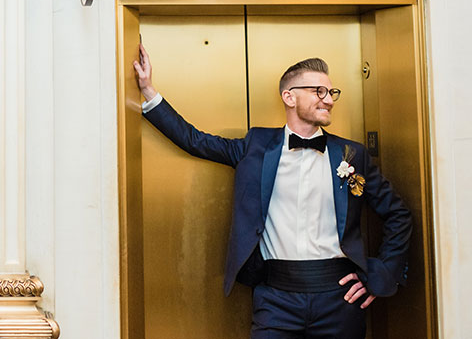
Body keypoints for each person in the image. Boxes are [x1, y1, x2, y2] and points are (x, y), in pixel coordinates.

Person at [132, 45, 411, 339]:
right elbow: (194, 140)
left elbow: (398, 215)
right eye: (319, 91)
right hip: (275, 300)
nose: (328, 100)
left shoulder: (351, 155)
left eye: (331, 93)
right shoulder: (255, 146)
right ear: (289, 96)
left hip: (340, 298)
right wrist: (149, 91)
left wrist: (380, 275)